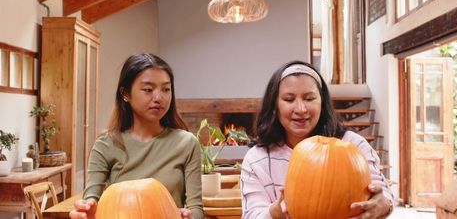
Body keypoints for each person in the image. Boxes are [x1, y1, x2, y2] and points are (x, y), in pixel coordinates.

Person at [241, 60, 394, 219]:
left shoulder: (354, 145)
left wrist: (383, 204)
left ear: (322, 102)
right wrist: (275, 212)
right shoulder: (256, 158)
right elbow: (251, 215)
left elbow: (383, 195)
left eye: (309, 98)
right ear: (275, 105)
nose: (300, 109)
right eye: (289, 99)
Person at [69, 53, 203, 219]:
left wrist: (188, 216)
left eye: (166, 89)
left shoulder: (187, 143)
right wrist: (86, 211)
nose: (159, 97)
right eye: (148, 90)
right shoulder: (106, 144)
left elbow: (196, 209)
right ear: (125, 93)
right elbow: (90, 201)